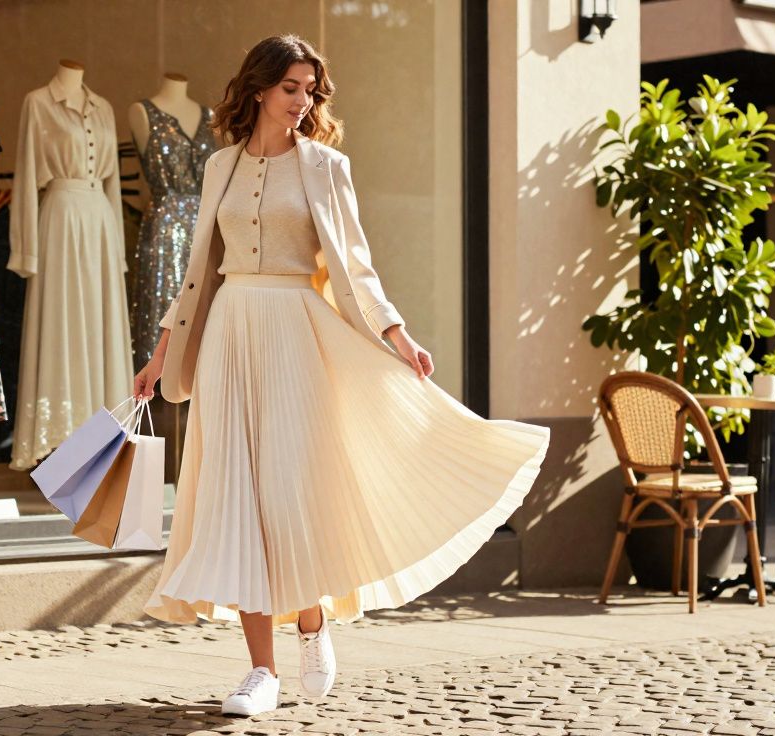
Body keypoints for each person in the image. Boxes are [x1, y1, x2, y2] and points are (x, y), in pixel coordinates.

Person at [132, 34, 550, 718]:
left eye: (309, 90)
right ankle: (260, 672)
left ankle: (313, 619)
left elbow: (355, 266)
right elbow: (196, 274)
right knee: (238, 497)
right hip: (230, 336)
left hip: (297, 333)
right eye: (290, 88)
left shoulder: (325, 167)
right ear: (259, 89)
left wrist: (396, 333)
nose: (301, 102)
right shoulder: (220, 168)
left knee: (292, 493)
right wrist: (161, 354)